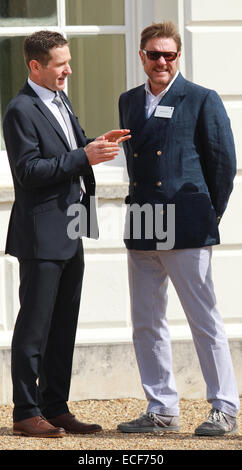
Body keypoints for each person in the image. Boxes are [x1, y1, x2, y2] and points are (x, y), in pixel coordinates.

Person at [3, 30, 130, 438]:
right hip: (41, 234)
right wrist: (83, 156)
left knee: (63, 326)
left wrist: (96, 144)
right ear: (35, 66)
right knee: (34, 328)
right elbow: (28, 171)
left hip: (70, 228)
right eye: (60, 64)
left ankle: (55, 407)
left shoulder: (60, 101)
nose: (68, 70)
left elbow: (67, 153)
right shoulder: (20, 110)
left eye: (68, 61)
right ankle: (26, 411)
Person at [117, 21, 240, 436]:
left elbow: (223, 165)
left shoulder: (202, 98)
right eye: (154, 54)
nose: (162, 61)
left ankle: (224, 407)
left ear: (178, 56)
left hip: (186, 225)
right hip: (143, 224)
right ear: (142, 57)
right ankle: (161, 408)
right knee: (146, 321)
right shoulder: (129, 100)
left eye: (169, 54)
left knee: (203, 319)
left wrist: (207, 214)